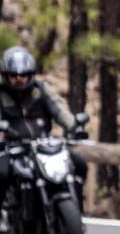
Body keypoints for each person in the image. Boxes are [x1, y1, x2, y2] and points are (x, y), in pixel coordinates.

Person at [0, 46, 85, 188]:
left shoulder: (40, 89)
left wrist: (74, 127)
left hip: (43, 146)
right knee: (2, 174)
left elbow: (59, 108)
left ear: (30, 74)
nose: (19, 79)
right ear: (6, 76)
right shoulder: (1, 94)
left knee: (79, 164)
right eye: (14, 75)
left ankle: (76, 200)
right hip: (12, 149)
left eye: (23, 75)